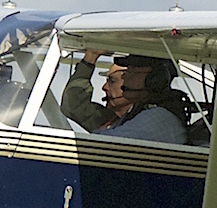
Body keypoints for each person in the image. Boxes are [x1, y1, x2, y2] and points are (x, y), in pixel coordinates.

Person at [60, 50, 188, 144]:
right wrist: (91, 56)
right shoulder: (129, 116)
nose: (125, 77)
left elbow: (105, 144)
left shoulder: (159, 117)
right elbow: (74, 106)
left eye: (131, 72)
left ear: (155, 79)